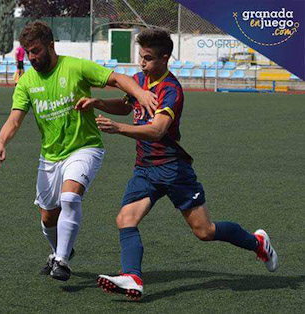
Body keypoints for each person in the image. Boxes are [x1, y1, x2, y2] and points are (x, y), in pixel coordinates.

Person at [75, 28, 278, 300]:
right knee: (125, 219)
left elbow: (157, 130)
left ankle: (258, 243)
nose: (141, 63)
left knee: (205, 232)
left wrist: (118, 129)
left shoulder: (171, 90)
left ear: (165, 58)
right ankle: (132, 277)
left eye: (147, 58)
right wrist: (99, 102)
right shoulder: (139, 80)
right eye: (141, 56)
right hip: (145, 169)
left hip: (173, 169)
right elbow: (127, 106)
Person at [0, 20, 158, 282]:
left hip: (85, 147)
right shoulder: (26, 82)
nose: (32, 57)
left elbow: (116, 78)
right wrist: (0, 143)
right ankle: (59, 250)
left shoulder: (75, 66)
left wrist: (141, 93)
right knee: (48, 218)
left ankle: (62, 260)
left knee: (69, 198)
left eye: (36, 51)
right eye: (28, 52)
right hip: (50, 155)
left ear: (50, 45)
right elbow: (15, 119)